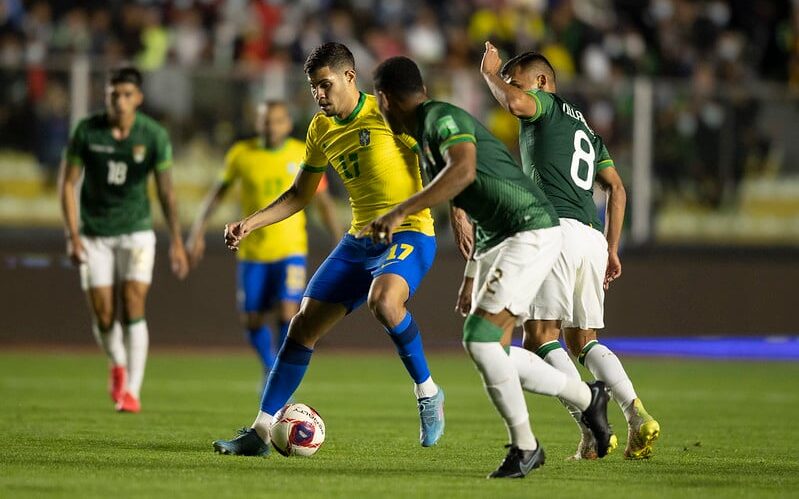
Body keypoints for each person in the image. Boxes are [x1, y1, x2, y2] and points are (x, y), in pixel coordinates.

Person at [366, 55, 612, 479]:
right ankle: (587, 401)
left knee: (480, 341)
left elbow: (464, 169)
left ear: (384, 100)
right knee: (492, 351)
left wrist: (399, 211)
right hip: (507, 235)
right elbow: (475, 200)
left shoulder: (437, 117)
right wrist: (471, 273)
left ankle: (528, 444)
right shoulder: (426, 140)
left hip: (528, 229)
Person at [213, 42, 444, 456]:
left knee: (385, 301)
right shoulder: (319, 129)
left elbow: (439, 163)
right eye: (313, 87)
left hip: (409, 232)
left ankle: (428, 393)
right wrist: (249, 223)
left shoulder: (388, 113)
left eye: (325, 85)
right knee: (301, 327)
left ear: (350, 78)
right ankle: (261, 432)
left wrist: (459, 217)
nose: (319, 95)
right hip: (359, 240)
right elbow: (300, 194)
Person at [480, 42, 660, 460]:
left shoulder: (544, 106)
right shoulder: (588, 131)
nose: (513, 90)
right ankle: (637, 416)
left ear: (543, 83)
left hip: (555, 231)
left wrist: (490, 74)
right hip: (591, 238)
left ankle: (592, 424)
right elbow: (616, 187)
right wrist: (612, 248)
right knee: (583, 339)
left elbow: (514, 104)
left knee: (540, 338)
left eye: (519, 82)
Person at [58, 64, 189, 413]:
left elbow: (167, 193)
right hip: (95, 233)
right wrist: (72, 235)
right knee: (103, 314)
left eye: (127, 95)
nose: (119, 101)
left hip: (136, 232)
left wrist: (176, 241)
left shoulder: (153, 136)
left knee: (133, 303)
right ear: (106, 97)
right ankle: (117, 362)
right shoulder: (87, 131)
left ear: (139, 99)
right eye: (113, 94)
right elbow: (67, 184)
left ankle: (132, 390)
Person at [186, 100, 341, 383]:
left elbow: (323, 201)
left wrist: (337, 237)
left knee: (287, 311)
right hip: (253, 252)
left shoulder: (301, 152)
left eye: (277, 120)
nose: (271, 126)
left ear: (288, 123)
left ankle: (278, 373)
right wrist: (197, 231)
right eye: (266, 121)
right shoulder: (241, 155)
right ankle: (269, 365)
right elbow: (218, 193)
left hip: (291, 249)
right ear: (257, 124)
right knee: (252, 320)